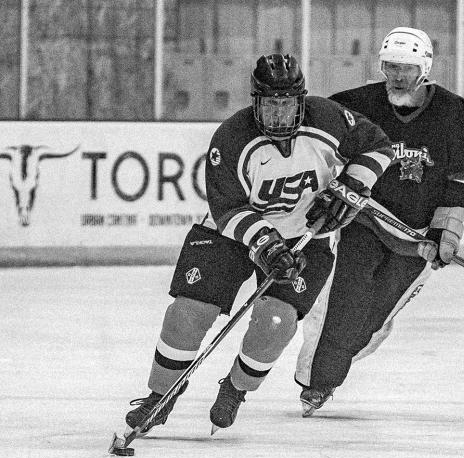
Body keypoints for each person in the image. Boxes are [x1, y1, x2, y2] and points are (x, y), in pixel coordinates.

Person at [123, 53, 393, 435]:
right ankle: (159, 395)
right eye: (270, 105)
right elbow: (227, 208)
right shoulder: (231, 139)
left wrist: (350, 186)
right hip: (231, 234)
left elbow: (378, 145)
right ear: (255, 102)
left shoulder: (330, 118)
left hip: (305, 237)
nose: (280, 115)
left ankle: (234, 389)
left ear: (301, 101)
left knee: (277, 321)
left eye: (287, 104)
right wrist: (266, 244)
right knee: (187, 313)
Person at [295, 27, 464, 416]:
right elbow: (315, 134)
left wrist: (445, 228)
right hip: (362, 222)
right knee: (344, 308)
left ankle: (330, 368)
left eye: (406, 68)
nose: (397, 75)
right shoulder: (357, 104)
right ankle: (319, 383)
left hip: (416, 238)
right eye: (390, 67)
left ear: (425, 69)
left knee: (371, 321)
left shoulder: (450, 113)